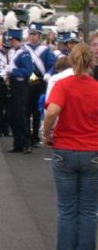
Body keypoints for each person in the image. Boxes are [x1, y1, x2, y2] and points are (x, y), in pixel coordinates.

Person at [43, 42, 98, 250]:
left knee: (66, 209)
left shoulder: (63, 85)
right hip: (92, 150)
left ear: (71, 61)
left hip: (65, 148)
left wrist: (46, 133)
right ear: (91, 62)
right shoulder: (96, 87)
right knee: (88, 209)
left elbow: (52, 111)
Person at [24, 19, 55, 148]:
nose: (33, 37)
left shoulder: (46, 50)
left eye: (35, 34)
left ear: (39, 35)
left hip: (40, 82)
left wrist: (49, 73)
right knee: (26, 110)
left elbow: (52, 65)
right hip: (27, 82)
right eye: (31, 34)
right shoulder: (23, 48)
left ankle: (35, 136)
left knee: (37, 110)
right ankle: (25, 135)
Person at [5, 20, 34, 154]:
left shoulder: (24, 53)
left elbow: (28, 71)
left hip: (21, 86)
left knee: (21, 116)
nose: (10, 42)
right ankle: (17, 143)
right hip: (12, 85)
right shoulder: (11, 52)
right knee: (12, 116)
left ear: (16, 40)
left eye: (12, 40)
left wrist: (13, 71)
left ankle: (26, 143)